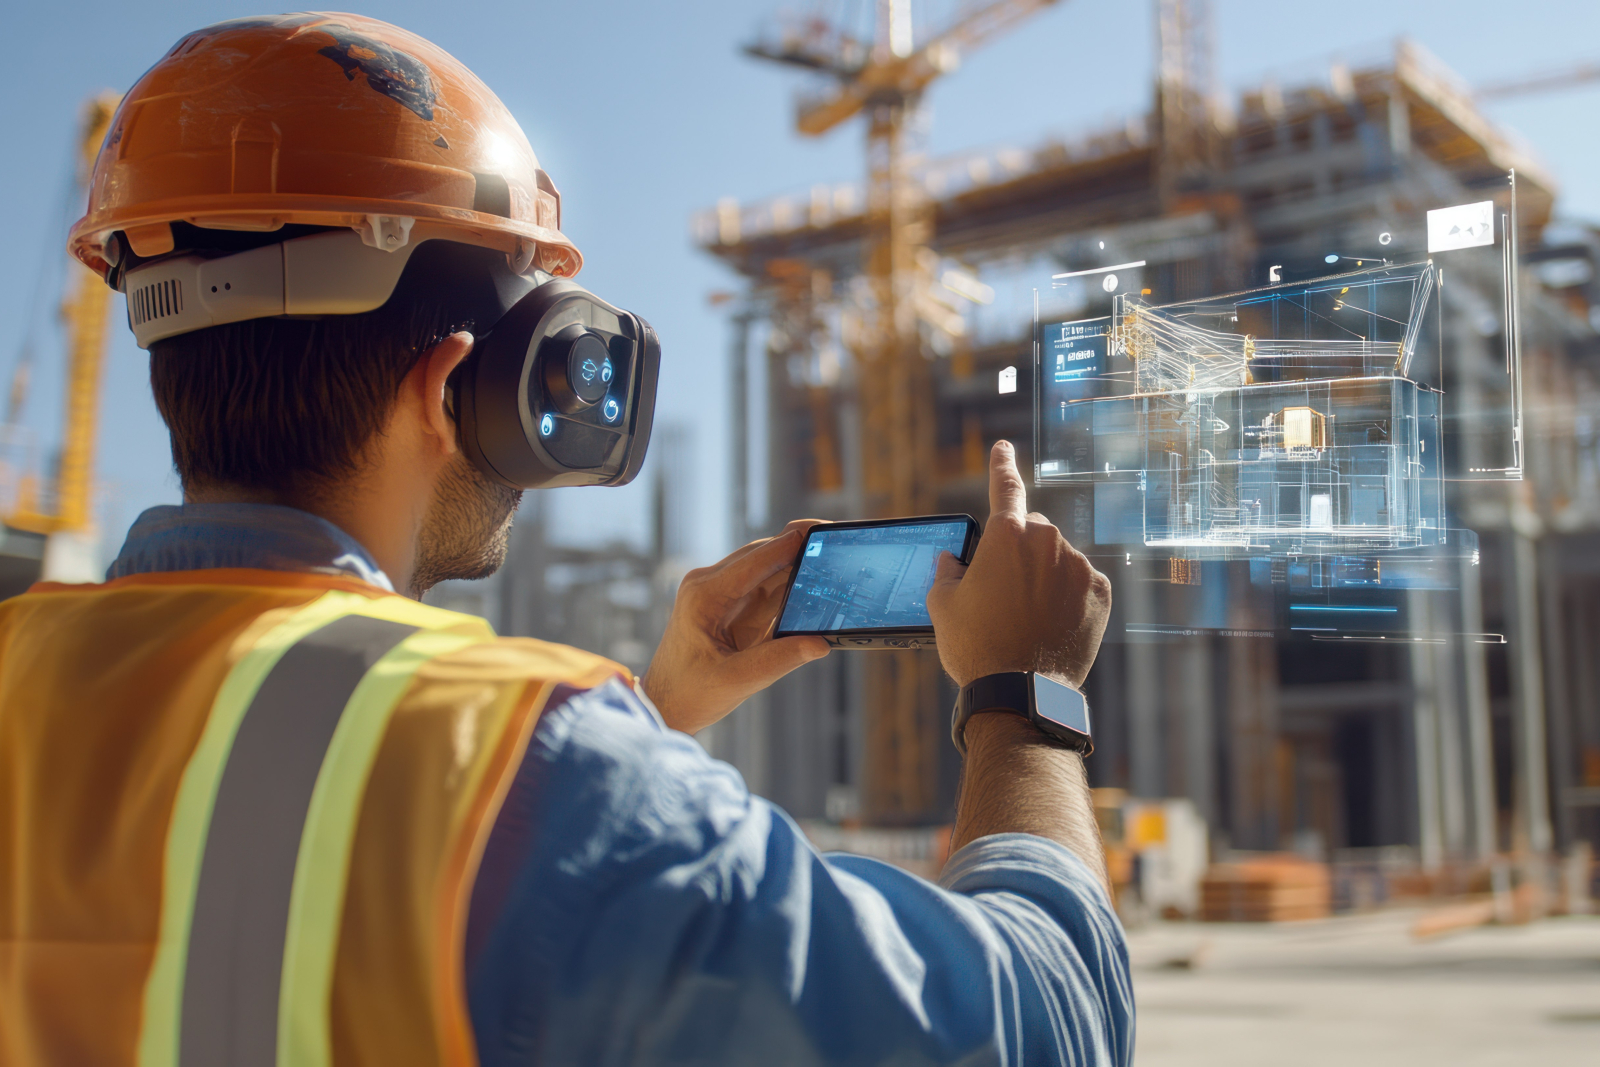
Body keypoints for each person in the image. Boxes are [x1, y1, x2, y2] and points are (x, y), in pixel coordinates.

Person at [0, 13, 1130, 1066]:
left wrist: (654, 713)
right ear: (458, 387)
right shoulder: (537, 769)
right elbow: (1042, 1019)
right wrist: (1022, 696)